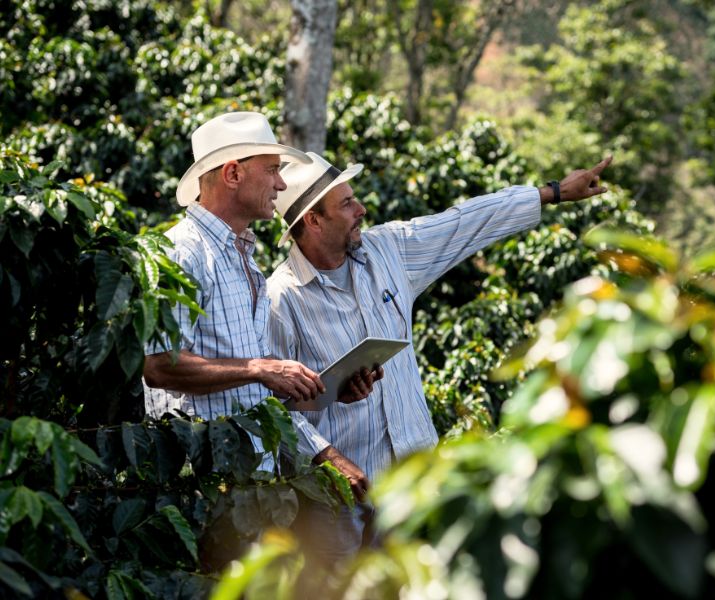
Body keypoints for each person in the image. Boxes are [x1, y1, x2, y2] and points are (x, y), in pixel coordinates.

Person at [266, 150, 613, 561]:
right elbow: (269, 409)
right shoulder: (281, 300)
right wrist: (328, 456)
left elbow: (464, 222)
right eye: (346, 203)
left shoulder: (389, 252)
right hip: (335, 501)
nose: (361, 209)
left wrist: (552, 193)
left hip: (415, 486)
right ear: (313, 220)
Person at [141, 111, 331, 465]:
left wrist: (320, 388)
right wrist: (258, 369)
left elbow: (250, 373)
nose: (281, 184)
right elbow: (159, 365)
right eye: (272, 170)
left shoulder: (242, 257)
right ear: (232, 174)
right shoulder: (183, 251)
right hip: (201, 480)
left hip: (248, 477)